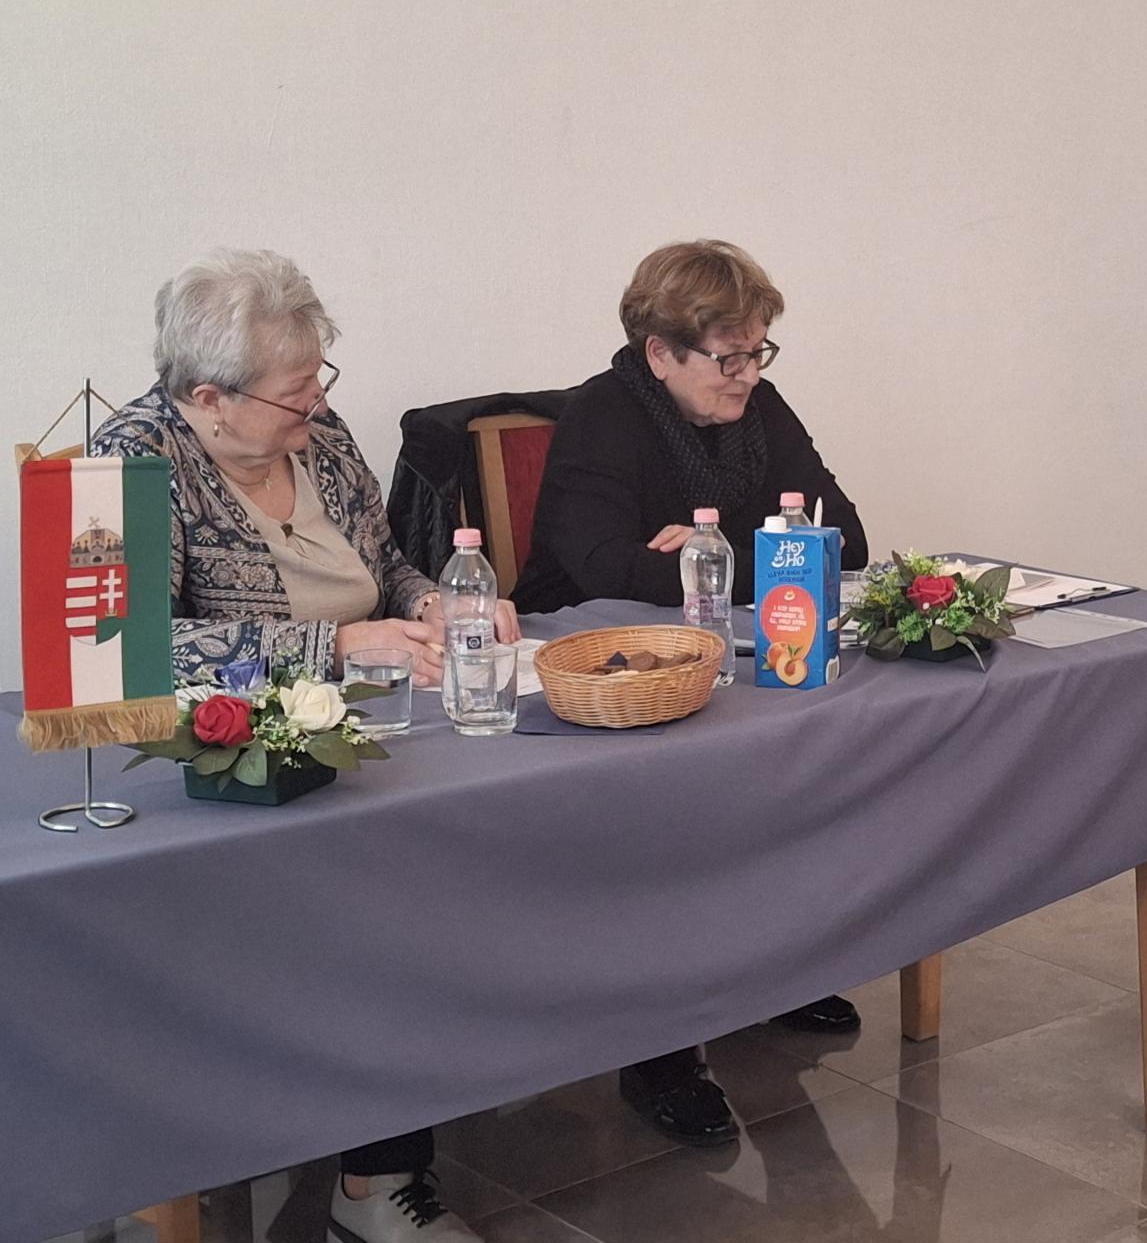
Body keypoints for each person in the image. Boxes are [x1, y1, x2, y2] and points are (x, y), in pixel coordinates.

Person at [93, 248, 520, 1243]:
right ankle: (374, 1182)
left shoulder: (318, 440)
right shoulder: (126, 464)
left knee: (498, 832)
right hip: (232, 762)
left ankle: (467, 1086)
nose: (318, 404)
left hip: (386, 714)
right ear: (209, 398)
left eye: (318, 376)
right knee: (394, 884)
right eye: (295, 391)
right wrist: (334, 646)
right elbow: (126, 649)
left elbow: (387, 565)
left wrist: (439, 604)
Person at [516, 239, 869, 1146]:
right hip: (604, 674)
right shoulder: (603, 416)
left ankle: (770, 974)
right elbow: (608, 571)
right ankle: (661, 1047)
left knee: (805, 760)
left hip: (726, 653)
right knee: (672, 807)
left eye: (758, 352)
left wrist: (710, 549)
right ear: (660, 353)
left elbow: (844, 537)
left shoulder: (758, 408)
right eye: (728, 356)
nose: (748, 374)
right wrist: (757, 553)